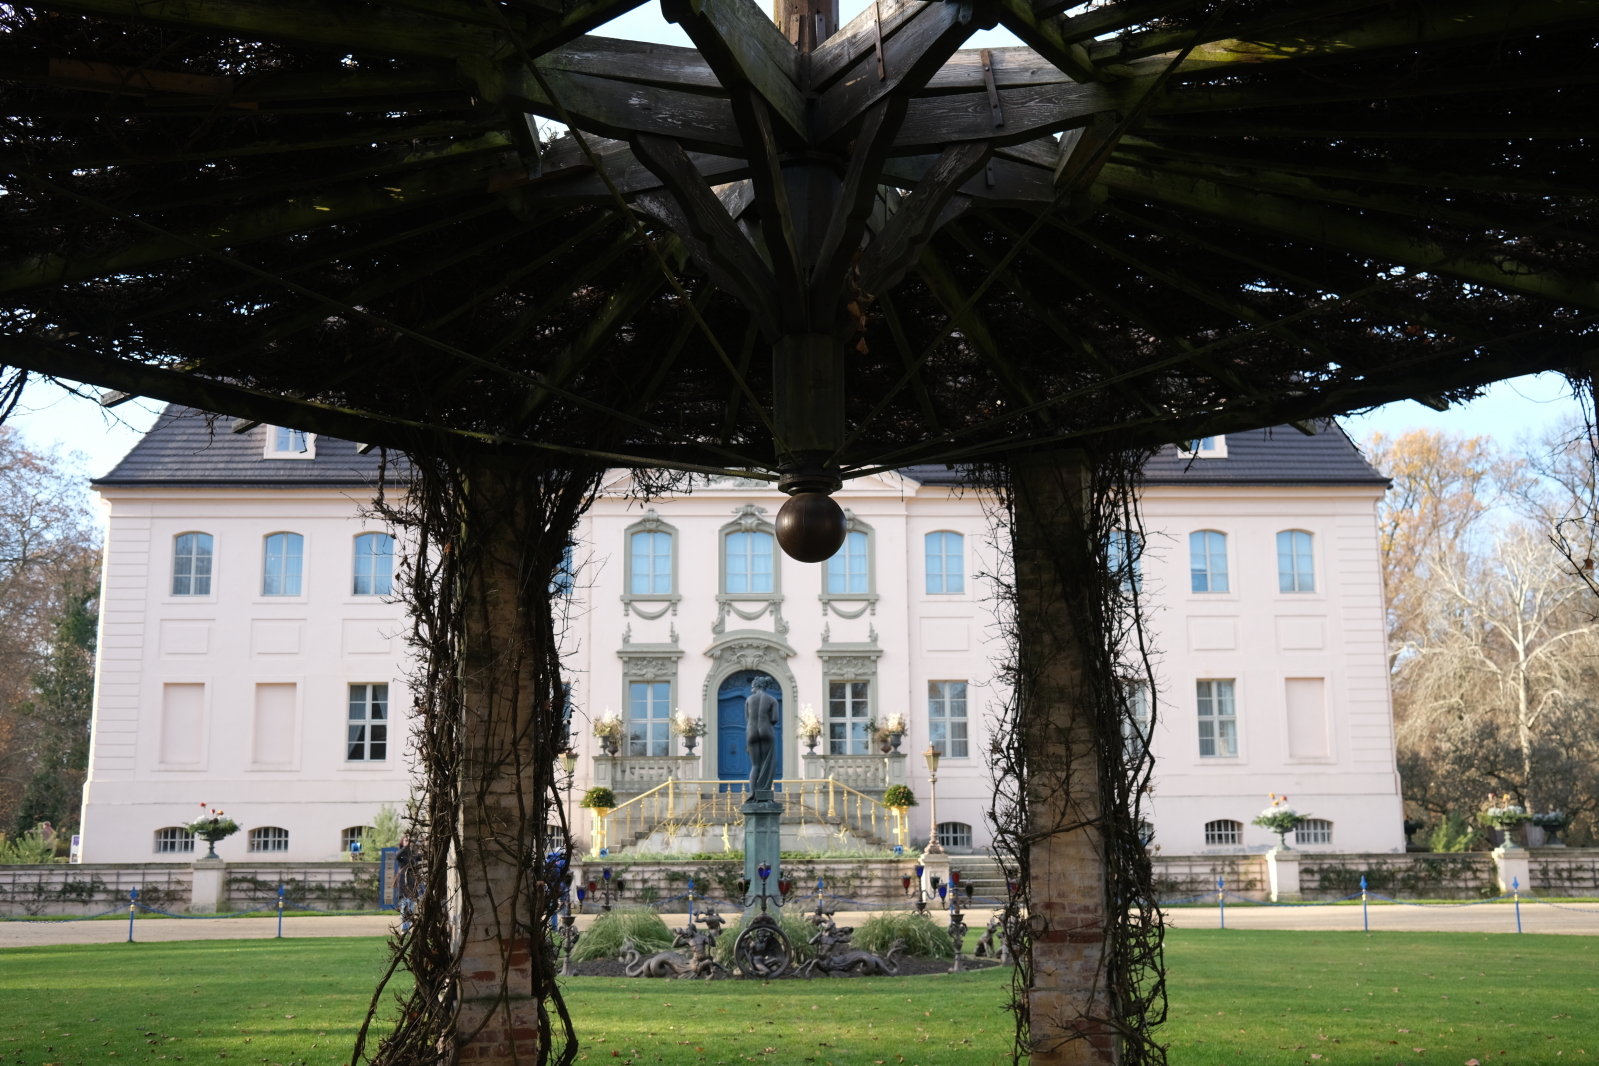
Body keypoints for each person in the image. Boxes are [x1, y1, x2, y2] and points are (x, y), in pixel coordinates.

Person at [744, 676, 779, 795]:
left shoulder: (749, 699)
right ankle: (764, 791)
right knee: (766, 763)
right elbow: (775, 719)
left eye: (752, 687)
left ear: (757, 686)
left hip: (751, 731)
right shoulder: (772, 700)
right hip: (766, 731)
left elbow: (747, 719)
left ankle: (752, 795)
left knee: (755, 766)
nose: (751, 689)